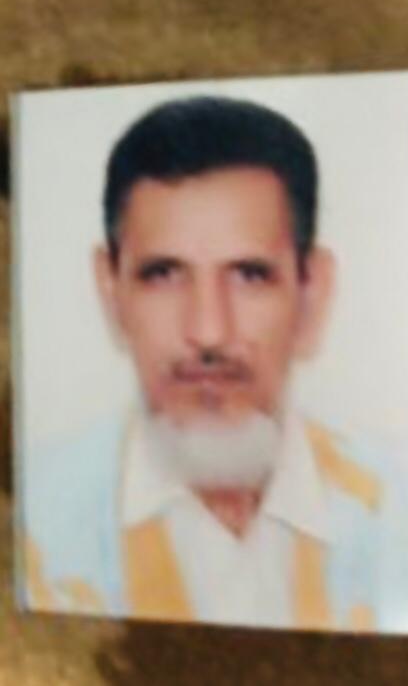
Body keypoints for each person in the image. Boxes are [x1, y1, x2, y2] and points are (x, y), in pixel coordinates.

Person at [21, 96, 408, 632]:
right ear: (111, 291)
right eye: (163, 274)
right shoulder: (30, 522)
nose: (208, 331)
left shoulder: (395, 509)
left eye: (250, 275)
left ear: (311, 293)